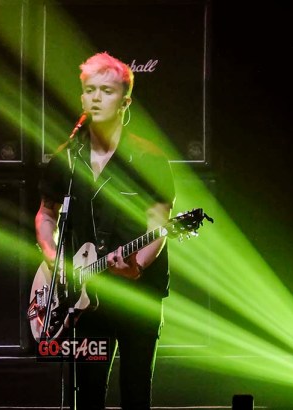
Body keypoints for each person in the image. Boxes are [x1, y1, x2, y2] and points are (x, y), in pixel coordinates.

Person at [34, 51, 176, 409]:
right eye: (90, 90)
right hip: (83, 295)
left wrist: (137, 265)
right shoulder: (67, 156)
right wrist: (51, 256)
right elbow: (46, 213)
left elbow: (159, 223)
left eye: (107, 91)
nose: (96, 98)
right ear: (82, 98)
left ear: (125, 102)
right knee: (88, 393)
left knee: (135, 391)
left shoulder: (149, 158)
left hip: (137, 295)